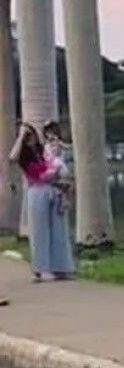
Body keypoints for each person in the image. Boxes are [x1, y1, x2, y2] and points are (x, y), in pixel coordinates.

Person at [7, 121, 75, 282]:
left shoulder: (42, 149)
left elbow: (57, 158)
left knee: (59, 230)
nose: (30, 137)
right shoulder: (23, 154)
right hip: (36, 190)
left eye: (31, 133)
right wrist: (21, 135)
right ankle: (42, 269)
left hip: (54, 188)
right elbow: (12, 157)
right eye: (26, 135)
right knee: (40, 231)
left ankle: (61, 267)